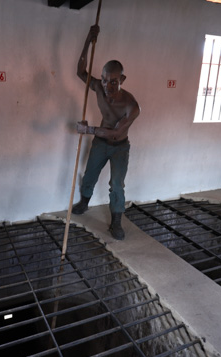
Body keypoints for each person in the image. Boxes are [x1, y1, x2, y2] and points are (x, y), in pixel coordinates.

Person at [72, 25, 140, 240]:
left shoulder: (131, 106)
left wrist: (88, 129)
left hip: (119, 147)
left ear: (122, 80)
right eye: (103, 79)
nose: (107, 85)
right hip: (100, 145)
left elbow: (115, 133)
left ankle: (116, 222)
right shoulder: (99, 88)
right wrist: (88, 40)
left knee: (117, 185)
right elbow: (80, 72)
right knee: (90, 174)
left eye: (113, 82)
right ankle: (84, 202)